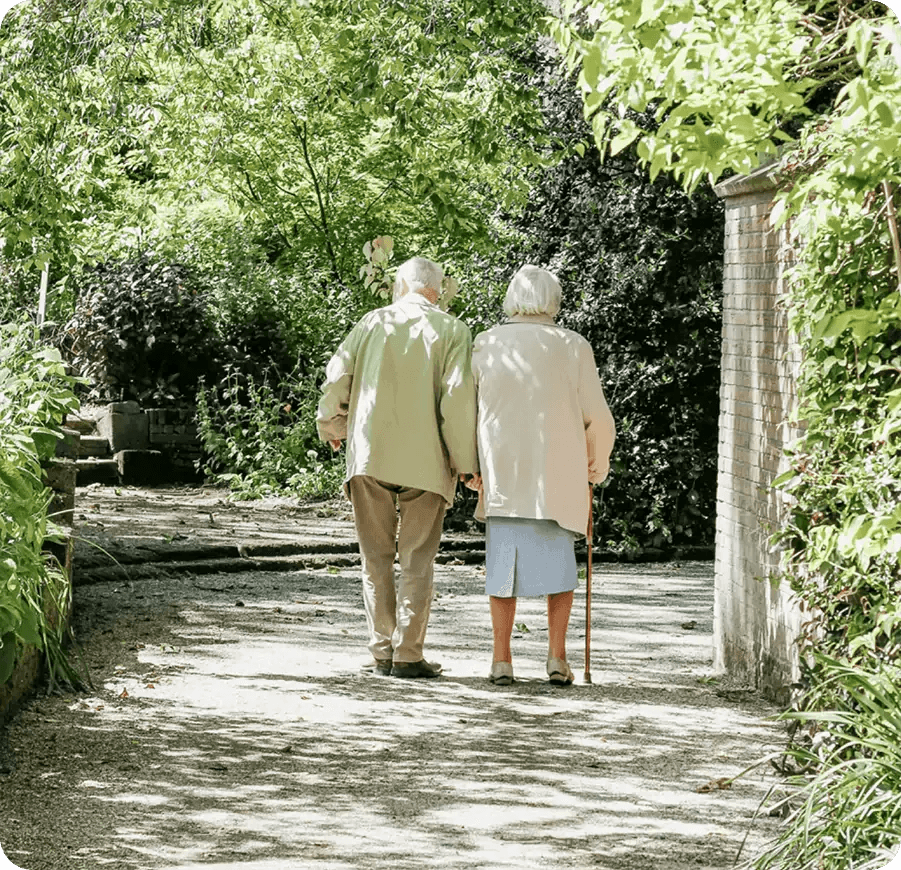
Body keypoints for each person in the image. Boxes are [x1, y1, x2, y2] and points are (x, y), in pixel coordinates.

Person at [317, 257, 478, 678]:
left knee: (375, 557)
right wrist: (466, 463)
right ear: (437, 291)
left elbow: (338, 378)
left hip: (371, 454)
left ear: (401, 284)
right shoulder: (453, 330)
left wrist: (331, 424)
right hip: (427, 460)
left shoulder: (371, 323)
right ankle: (408, 654)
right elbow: (457, 401)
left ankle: (381, 650)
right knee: (417, 559)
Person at [468, 265, 615, 686]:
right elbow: (598, 419)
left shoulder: (487, 343)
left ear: (512, 298)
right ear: (554, 300)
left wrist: (471, 466)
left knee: (501, 568)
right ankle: (556, 657)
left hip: (505, 472)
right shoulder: (573, 346)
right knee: (561, 570)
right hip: (559, 473)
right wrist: (595, 465)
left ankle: (501, 659)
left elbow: (470, 412)